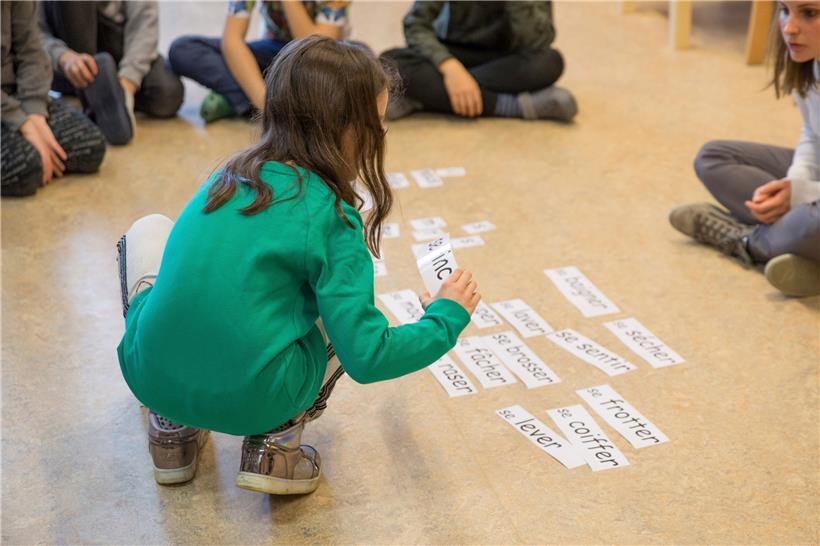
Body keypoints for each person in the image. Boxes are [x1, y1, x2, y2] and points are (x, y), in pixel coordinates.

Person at [116, 36, 480, 495]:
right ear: (348, 130)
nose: (381, 137)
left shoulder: (225, 175)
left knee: (150, 230)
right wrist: (446, 318)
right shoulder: (332, 216)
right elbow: (367, 356)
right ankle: (276, 445)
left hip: (151, 379)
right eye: (377, 125)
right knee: (339, 317)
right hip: (256, 401)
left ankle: (171, 429)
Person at [669, 0, 820, 297]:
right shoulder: (808, 58)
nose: (789, 28)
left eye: (810, 13)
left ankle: (749, 241)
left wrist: (801, 195)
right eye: (784, 10)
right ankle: (796, 246)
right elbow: (813, 134)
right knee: (713, 157)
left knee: (813, 220)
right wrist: (794, 182)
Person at [380, 1, 577, 122]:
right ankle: (515, 106)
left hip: (504, 60)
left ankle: (425, 99)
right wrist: (450, 67)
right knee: (391, 62)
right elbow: (416, 25)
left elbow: (539, 41)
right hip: (452, 52)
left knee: (551, 61)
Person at [168, 0, 351, 123]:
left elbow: (317, 50)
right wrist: (266, 105)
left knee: (356, 71)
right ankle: (266, 102)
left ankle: (238, 100)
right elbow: (232, 40)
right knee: (183, 49)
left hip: (322, 61)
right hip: (274, 52)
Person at [39, 1, 184, 145]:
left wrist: (127, 85)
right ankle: (93, 92)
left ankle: (107, 97)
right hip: (66, 60)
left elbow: (144, 25)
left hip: (118, 46)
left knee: (168, 93)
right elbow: (33, 34)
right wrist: (63, 57)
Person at [1, 1, 105, 198]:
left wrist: (35, 112)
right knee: (26, 169)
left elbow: (31, 50)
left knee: (91, 146)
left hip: (17, 92)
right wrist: (23, 124)